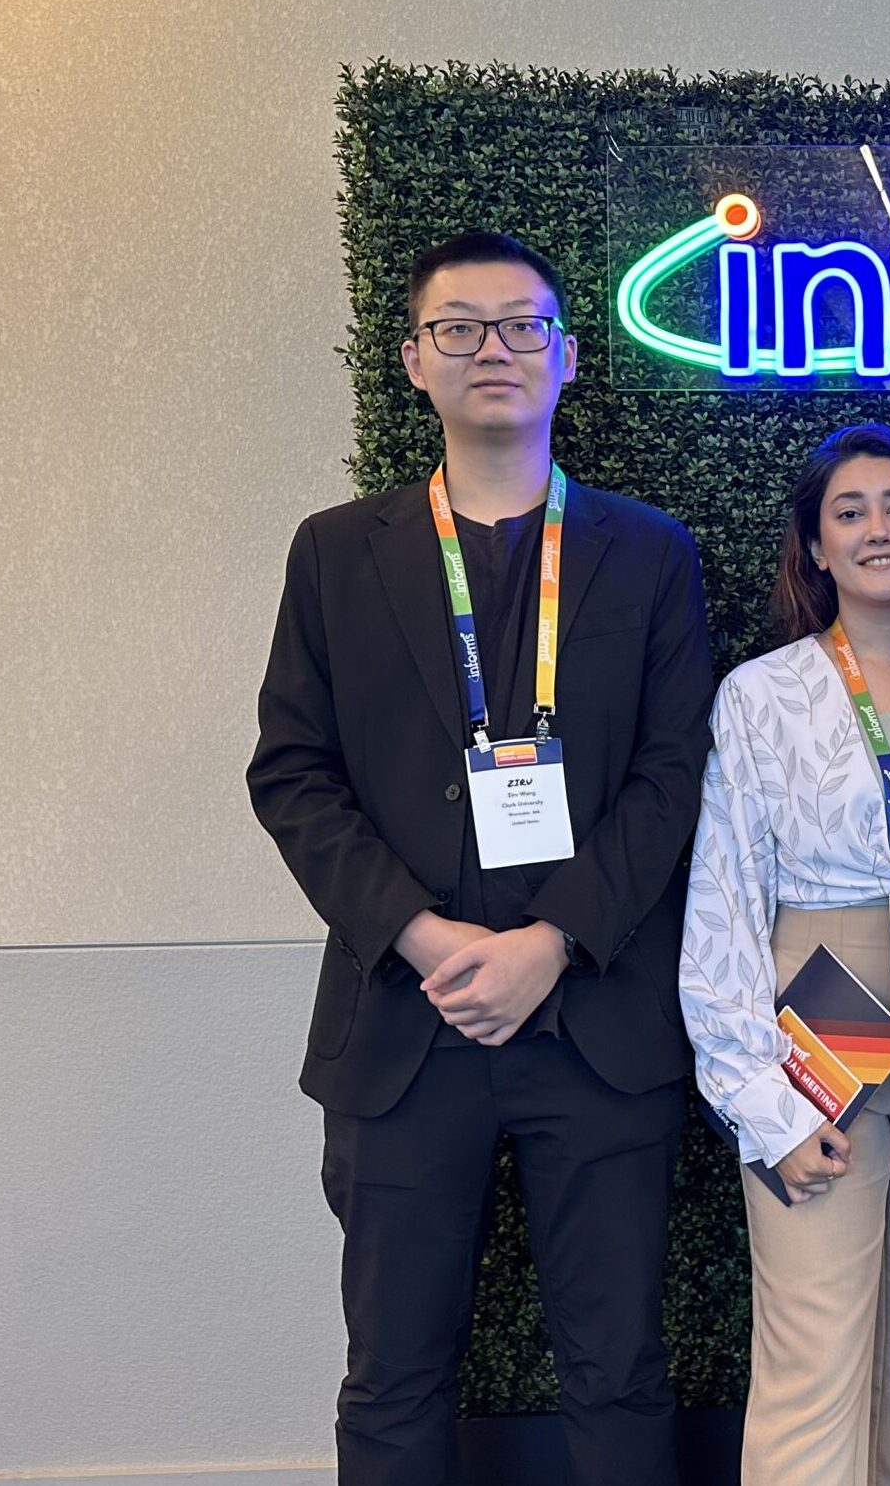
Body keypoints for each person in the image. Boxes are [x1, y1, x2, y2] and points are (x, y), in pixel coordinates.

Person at [247, 231, 713, 1484]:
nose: (491, 348)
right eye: (458, 327)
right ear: (413, 359)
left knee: (618, 1369)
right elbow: (291, 772)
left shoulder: (648, 551)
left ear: (566, 355)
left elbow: (674, 775)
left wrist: (551, 942)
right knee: (393, 1374)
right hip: (406, 1029)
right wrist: (424, 934)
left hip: (597, 1025)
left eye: (520, 325)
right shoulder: (335, 552)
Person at [677, 423, 890, 1486]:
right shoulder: (762, 694)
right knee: (813, 1356)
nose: (878, 528)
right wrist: (760, 1103)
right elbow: (724, 897)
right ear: (815, 546)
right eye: (849, 511)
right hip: (818, 1025)